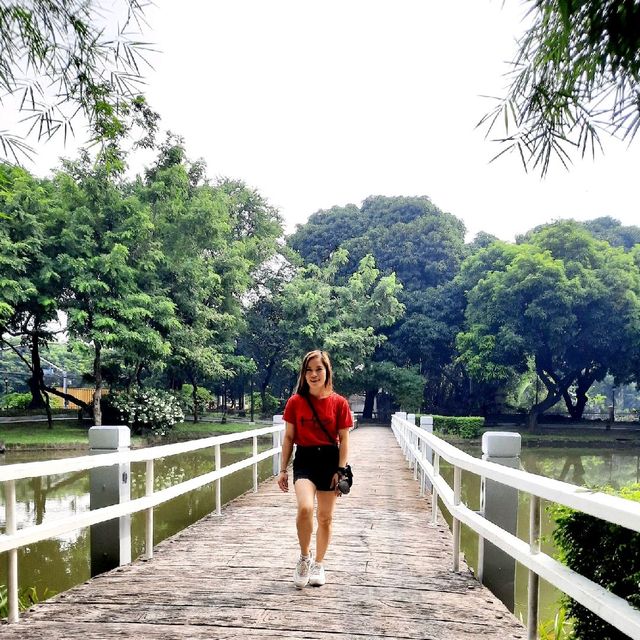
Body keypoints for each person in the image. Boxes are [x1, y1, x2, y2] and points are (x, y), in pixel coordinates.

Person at [277, 349, 353, 588]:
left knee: (326, 517)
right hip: (305, 460)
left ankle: (319, 563)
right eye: (309, 370)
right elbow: (289, 438)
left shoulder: (339, 403)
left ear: (327, 371)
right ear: (303, 374)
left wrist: (340, 471)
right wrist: (282, 470)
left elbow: (344, 439)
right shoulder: (295, 402)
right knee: (305, 508)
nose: (313, 374)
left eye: (318, 369)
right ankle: (304, 556)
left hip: (330, 461)